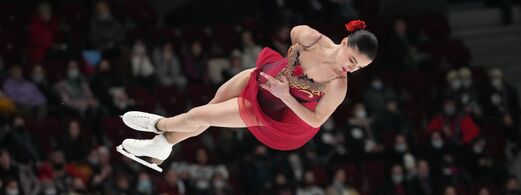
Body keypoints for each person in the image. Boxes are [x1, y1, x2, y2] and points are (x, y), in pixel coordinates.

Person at [117, 20, 377, 171]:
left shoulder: (338, 85)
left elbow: (316, 120)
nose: (352, 68)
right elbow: (294, 34)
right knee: (206, 114)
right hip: (258, 75)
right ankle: (162, 146)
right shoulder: (312, 38)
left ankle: (158, 124)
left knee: (199, 115)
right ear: (344, 42)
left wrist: (286, 96)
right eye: (352, 59)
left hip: (265, 109)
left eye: (359, 67)